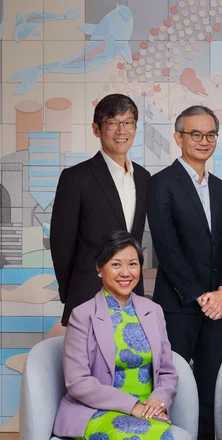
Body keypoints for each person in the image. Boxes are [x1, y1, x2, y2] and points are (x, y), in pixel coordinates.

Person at [53, 231, 189, 440]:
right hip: (97, 409)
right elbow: (77, 381)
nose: (126, 272)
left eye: (133, 264)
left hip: (148, 408)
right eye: (116, 264)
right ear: (100, 268)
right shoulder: (83, 315)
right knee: (137, 432)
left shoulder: (153, 311)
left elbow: (168, 373)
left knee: (154, 431)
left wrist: (157, 402)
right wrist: (133, 407)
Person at [148, 105, 222, 440]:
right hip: (178, 302)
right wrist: (200, 295)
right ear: (178, 138)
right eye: (195, 134)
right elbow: (166, 248)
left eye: (210, 134)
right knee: (175, 380)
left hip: (218, 304)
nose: (204, 141)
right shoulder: (161, 183)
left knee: (211, 379)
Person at [51, 94, 151, 326]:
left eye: (128, 122)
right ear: (97, 129)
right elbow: (61, 244)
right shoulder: (76, 178)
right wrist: (73, 293)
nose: (121, 130)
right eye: (112, 123)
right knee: (88, 362)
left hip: (132, 296)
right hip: (88, 293)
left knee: (131, 360)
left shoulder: (144, 178)